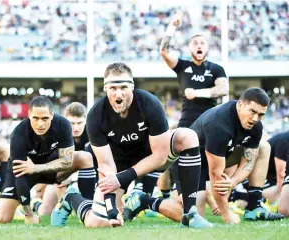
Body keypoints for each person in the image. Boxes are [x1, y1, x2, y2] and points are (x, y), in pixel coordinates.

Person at [51, 62, 212, 228]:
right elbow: (106, 166)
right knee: (97, 222)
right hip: (118, 167)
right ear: (105, 89)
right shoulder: (96, 115)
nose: (118, 93)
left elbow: (161, 156)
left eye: (123, 87)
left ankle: (190, 212)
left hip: (152, 158)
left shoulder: (150, 104)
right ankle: (72, 198)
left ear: (132, 87)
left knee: (187, 136)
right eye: (113, 88)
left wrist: (123, 178)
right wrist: (111, 207)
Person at [0, 96, 95, 224]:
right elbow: (20, 176)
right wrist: (28, 214)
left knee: (85, 157)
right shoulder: (19, 134)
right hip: (25, 175)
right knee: (1, 219)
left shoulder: (63, 125)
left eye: (45, 118)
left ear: (52, 115)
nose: (40, 124)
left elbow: (67, 161)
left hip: (51, 170)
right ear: (29, 115)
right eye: (36, 118)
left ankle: (88, 208)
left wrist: (36, 168)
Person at [158, 11, 229, 215]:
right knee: (177, 158)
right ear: (189, 48)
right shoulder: (183, 67)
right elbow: (163, 51)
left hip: (211, 122)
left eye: (202, 43)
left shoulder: (216, 69)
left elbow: (223, 89)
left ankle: (241, 201)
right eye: (195, 43)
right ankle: (182, 196)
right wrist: (172, 26)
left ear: (207, 48)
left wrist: (198, 92)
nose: (199, 45)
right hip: (187, 121)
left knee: (210, 162)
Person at [190, 87, 284, 224]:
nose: (255, 119)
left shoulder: (255, 126)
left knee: (263, 147)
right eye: (252, 111)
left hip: (220, 158)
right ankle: (158, 198)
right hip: (192, 163)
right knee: (194, 216)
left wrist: (232, 182)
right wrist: (226, 213)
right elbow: (215, 173)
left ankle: (254, 207)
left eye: (261, 114)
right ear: (240, 105)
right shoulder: (219, 124)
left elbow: (249, 161)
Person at [31, 102, 96, 216]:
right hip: (61, 174)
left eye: (79, 123)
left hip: (86, 175)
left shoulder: (93, 133)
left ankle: (86, 208)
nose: (75, 128)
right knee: (45, 212)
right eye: (71, 123)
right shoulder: (57, 134)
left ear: (85, 120)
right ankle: (37, 203)